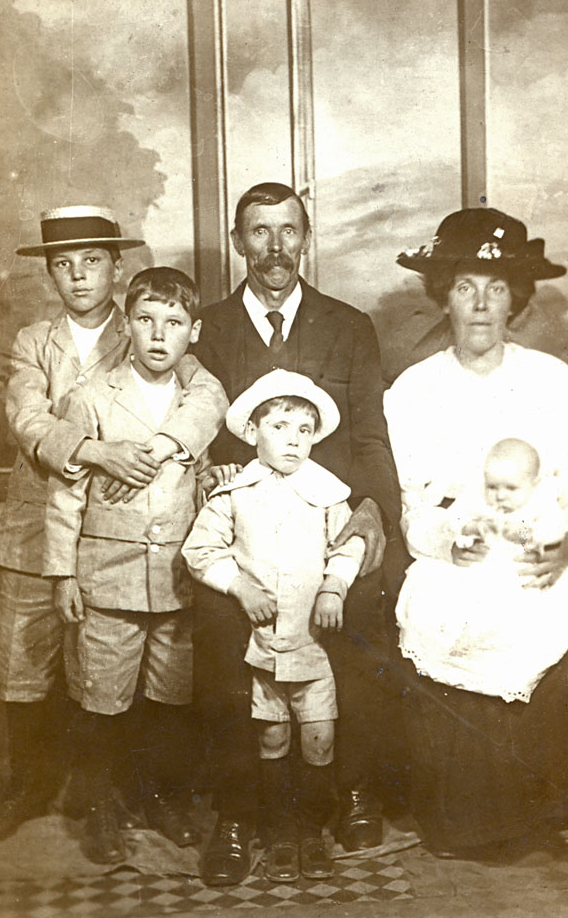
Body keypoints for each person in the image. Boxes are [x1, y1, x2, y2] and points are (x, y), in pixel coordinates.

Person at [0, 208, 226, 848]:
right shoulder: (36, 340)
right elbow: (28, 418)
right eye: (63, 264)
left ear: (117, 268)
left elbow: (206, 396)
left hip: (128, 530)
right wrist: (99, 453)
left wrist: (157, 452)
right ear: (49, 274)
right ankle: (27, 788)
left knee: (126, 670)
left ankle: (121, 795)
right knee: (23, 663)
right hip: (39, 524)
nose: (79, 275)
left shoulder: (146, 323)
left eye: (92, 260)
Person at [193, 181, 401, 885]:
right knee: (220, 624)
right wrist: (210, 483)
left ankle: (352, 788)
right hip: (246, 529)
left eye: (288, 231)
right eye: (259, 231)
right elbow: (197, 432)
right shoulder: (209, 328)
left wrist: (372, 511)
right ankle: (236, 812)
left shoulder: (349, 325)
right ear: (237, 242)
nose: (275, 247)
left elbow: (369, 435)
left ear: (306, 239)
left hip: (328, 524)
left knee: (360, 608)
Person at [383, 207, 568, 860]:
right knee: (446, 613)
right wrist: (448, 541)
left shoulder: (554, 382)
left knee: (539, 610)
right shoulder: (412, 391)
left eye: (496, 287)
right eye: (464, 287)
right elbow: (412, 504)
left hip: (538, 543)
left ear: (516, 299)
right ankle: (463, 814)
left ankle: (535, 809)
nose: (480, 304)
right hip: (458, 548)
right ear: (442, 296)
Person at [43, 267, 227, 865]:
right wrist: (62, 574)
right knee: (103, 702)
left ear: (193, 332)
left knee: (170, 702)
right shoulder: (92, 396)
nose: (158, 334)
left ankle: (160, 800)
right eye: (145, 319)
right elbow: (65, 494)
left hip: (176, 580)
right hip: (107, 579)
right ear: (127, 325)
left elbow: (201, 473)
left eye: (174, 322)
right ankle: (102, 809)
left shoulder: (197, 399)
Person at [183, 370, 364, 883]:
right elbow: (199, 550)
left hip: (313, 646)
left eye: (304, 429)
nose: (293, 440)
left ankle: (311, 831)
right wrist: (239, 585)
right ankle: (282, 831)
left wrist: (334, 586)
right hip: (263, 648)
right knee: (273, 737)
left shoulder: (327, 494)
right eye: (280, 426)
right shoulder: (235, 493)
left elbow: (349, 545)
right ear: (252, 431)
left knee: (320, 738)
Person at [396, 436, 568, 704]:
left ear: (533, 483)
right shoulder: (479, 498)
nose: (500, 495)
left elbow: (548, 534)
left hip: (518, 567)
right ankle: (455, 662)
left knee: (519, 614)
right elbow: (455, 519)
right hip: (480, 564)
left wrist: (523, 534)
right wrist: (470, 529)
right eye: (493, 487)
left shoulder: (540, 503)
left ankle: (499, 674)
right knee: (441, 598)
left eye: (511, 488)